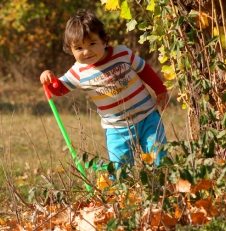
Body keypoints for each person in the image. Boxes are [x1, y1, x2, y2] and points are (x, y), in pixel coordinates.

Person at [40, 9, 169, 173]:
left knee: (159, 159)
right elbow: (60, 88)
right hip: (117, 128)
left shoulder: (122, 53)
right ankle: (121, 193)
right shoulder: (79, 71)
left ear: (104, 40)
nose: (86, 51)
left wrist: (160, 89)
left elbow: (144, 69)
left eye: (92, 44)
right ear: (70, 50)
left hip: (147, 117)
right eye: (78, 48)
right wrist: (50, 80)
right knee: (119, 169)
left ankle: (161, 191)